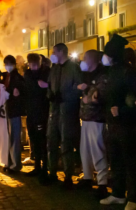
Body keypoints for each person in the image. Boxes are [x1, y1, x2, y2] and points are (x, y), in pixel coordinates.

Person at [100, 34, 136, 210]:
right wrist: (97, 95)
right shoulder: (111, 71)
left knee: (131, 163)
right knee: (115, 161)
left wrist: (123, 110)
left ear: (113, 55)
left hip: (127, 126)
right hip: (112, 125)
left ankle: (134, 198)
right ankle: (118, 194)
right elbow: (109, 94)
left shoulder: (128, 72)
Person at [47, 43, 81, 189]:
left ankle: (68, 176)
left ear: (62, 52)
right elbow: (49, 85)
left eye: (55, 51)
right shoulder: (54, 68)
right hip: (54, 111)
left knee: (66, 143)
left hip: (67, 111)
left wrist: (66, 96)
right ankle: (52, 172)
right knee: (51, 141)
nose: (53, 53)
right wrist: (50, 95)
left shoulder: (73, 67)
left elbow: (78, 86)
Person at [77, 50, 108, 199]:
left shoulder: (102, 76)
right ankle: (87, 178)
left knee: (98, 152)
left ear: (92, 61)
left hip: (97, 119)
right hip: (86, 119)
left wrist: (88, 96)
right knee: (85, 151)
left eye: (84, 58)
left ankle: (102, 184)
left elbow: (98, 96)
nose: (82, 60)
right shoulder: (87, 75)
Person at [24, 53, 50, 185]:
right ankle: (37, 166)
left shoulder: (46, 73)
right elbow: (32, 87)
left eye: (36, 65)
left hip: (42, 112)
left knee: (42, 141)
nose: (33, 67)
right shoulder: (28, 74)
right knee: (34, 140)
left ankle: (44, 168)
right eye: (31, 65)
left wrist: (44, 86)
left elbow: (43, 89)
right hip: (32, 112)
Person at [3, 55, 26, 173]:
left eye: (9, 64)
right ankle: (9, 162)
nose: (7, 66)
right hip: (7, 111)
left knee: (15, 139)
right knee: (8, 138)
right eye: (6, 64)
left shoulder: (17, 78)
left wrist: (11, 94)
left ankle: (15, 165)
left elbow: (20, 94)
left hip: (14, 111)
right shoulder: (6, 76)